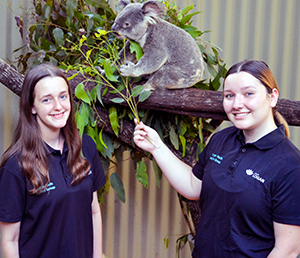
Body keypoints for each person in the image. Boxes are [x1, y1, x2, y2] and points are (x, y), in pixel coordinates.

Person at [133, 60, 300, 257]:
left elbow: (287, 249)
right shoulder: (222, 139)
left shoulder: (289, 165)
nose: (237, 104)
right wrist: (157, 147)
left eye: (248, 94)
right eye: (229, 96)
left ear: (272, 97)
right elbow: (193, 187)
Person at [0, 64, 106, 258]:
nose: (58, 106)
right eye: (47, 100)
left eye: (63, 96)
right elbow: (9, 239)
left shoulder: (86, 147)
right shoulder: (15, 166)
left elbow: (93, 211)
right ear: (32, 107)